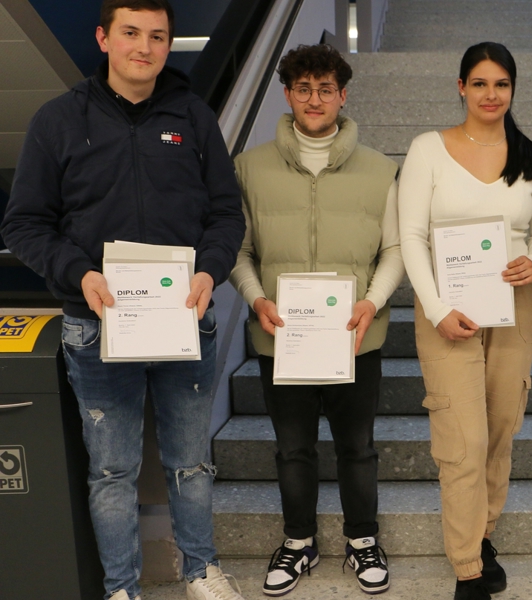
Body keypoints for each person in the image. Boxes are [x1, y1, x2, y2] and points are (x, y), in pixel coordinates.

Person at [0, 1, 246, 599]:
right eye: (131, 33)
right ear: (103, 38)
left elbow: (225, 215)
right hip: (96, 326)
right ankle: (121, 589)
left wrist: (211, 272)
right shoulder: (58, 120)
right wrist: (78, 273)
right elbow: (24, 224)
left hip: (186, 322)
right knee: (112, 470)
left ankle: (200, 573)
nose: (145, 46)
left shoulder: (193, 117)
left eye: (158, 36)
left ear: (168, 45)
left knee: (191, 462)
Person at [229, 44, 401, 596]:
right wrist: (257, 300)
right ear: (287, 94)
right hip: (283, 338)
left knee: (358, 447)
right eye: (303, 88)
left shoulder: (379, 168)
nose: (314, 99)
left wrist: (370, 301)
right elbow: (239, 251)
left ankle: (362, 540)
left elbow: (395, 250)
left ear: (343, 96)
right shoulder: (250, 167)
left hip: (357, 336)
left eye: (326, 88)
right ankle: (299, 542)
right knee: (293, 448)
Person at [397, 42, 532, 600]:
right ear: (460, 87)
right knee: (462, 437)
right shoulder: (427, 149)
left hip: (515, 309)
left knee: (500, 429)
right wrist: (437, 309)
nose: (491, 94)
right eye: (480, 83)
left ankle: (482, 535)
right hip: (449, 309)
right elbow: (410, 235)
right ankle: (466, 567)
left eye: (502, 84)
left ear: (513, 90)